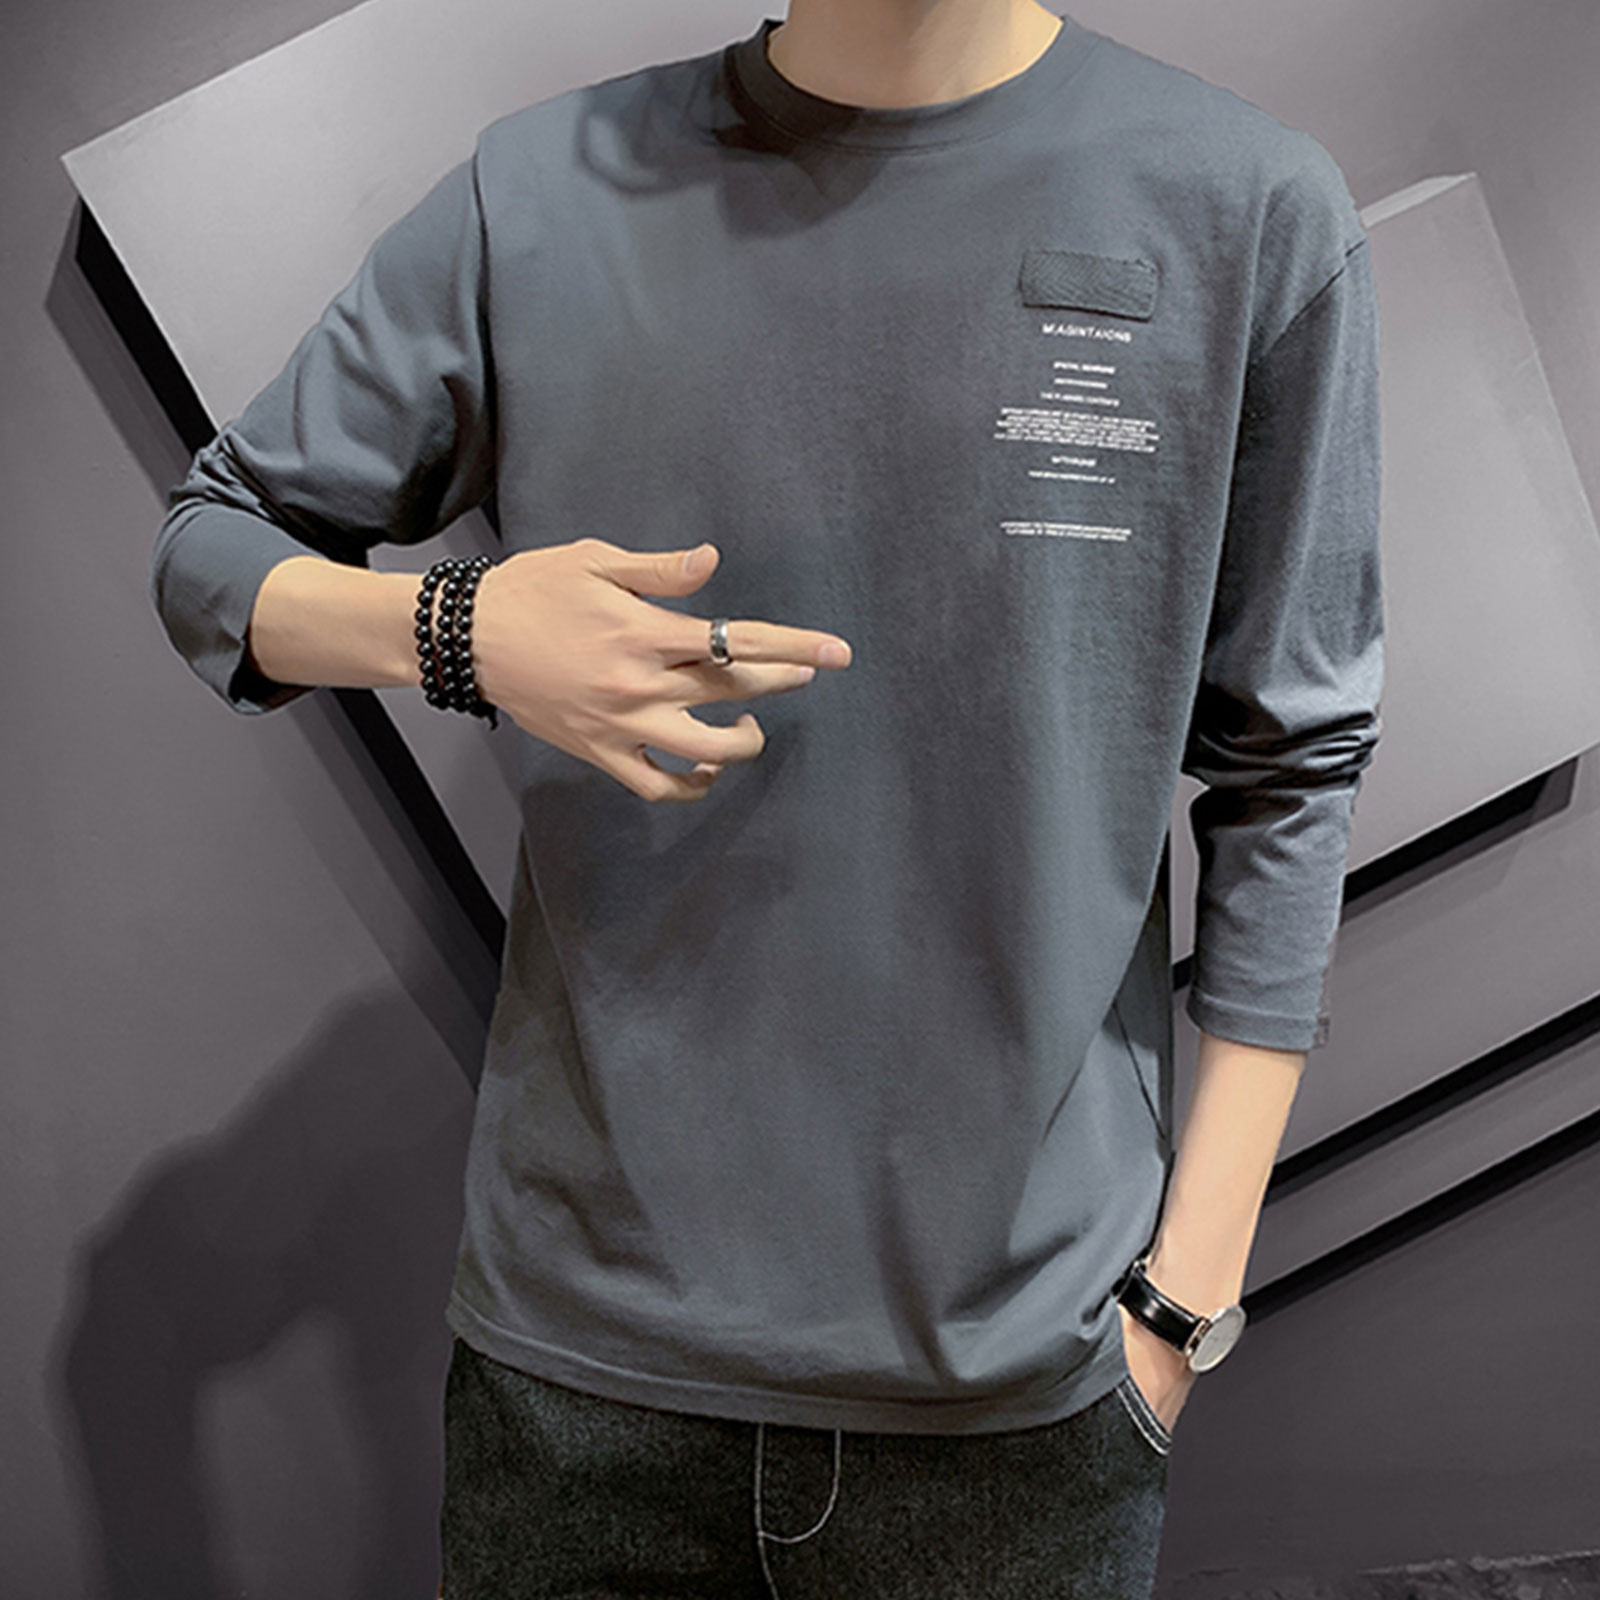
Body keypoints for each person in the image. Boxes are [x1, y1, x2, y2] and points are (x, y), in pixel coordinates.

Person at [151, 0, 1384, 1594]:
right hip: (581, 1389)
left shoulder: (1247, 209)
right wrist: (460, 630)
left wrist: (1183, 1303)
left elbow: (1292, 766)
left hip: (1025, 1401)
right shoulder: (539, 193)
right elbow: (212, 544)